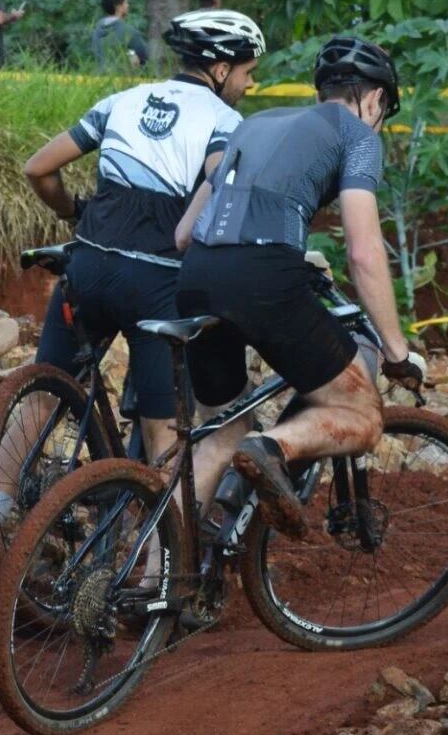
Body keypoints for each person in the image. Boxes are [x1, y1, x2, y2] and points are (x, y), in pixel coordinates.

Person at [173, 35, 427, 537]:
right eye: (383, 110)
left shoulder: (253, 125)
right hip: (264, 276)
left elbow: (184, 234)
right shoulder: (358, 135)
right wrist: (397, 352)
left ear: (320, 93)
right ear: (374, 99)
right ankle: (271, 449)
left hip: (198, 275)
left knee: (220, 432)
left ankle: (153, 580)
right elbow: (363, 251)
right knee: (361, 414)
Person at [22, 9, 265, 467]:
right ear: (220, 69)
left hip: (87, 267)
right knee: (164, 436)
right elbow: (221, 187)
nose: (248, 85)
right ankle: (159, 537)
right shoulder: (224, 121)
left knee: (42, 394)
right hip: (155, 285)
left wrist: (73, 212)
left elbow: (38, 168)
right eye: (248, 73)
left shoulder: (122, 99)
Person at [91, 0, 149, 70]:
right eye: (126, 2)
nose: (128, 5)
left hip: (100, 78)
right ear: (117, 6)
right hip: (123, 77)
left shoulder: (96, 30)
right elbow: (144, 56)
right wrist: (131, 54)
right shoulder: (128, 31)